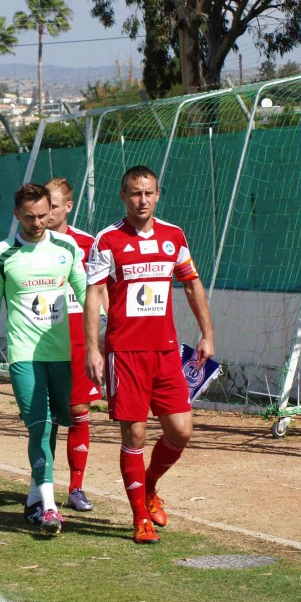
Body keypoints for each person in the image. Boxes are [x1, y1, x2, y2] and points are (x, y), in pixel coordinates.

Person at [84, 165, 215, 545]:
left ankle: (150, 485)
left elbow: (191, 283)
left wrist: (207, 334)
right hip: (125, 353)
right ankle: (140, 517)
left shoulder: (174, 236)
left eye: (148, 193)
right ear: (123, 196)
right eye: (135, 193)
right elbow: (93, 294)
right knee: (135, 434)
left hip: (166, 351)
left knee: (181, 430)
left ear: (157, 195)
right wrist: (93, 348)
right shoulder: (108, 240)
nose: (142, 200)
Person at [0, 184, 87, 535]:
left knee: (56, 424)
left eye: (42, 215)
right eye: (29, 217)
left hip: (62, 355)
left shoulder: (67, 247)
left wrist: (107, 329)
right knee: (39, 424)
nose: (37, 223)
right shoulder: (1, 253)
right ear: (16, 215)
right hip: (23, 355)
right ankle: (50, 508)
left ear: (51, 210)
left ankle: (34, 499)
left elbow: (87, 293)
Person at [44, 178, 99, 513]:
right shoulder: (30, 244)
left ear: (68, 207)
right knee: (47, 417)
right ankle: (43, 487)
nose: (46, 212)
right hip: (43, 340)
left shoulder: (88, 245)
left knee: (79, 412)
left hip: (78, 338)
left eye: (52, 206)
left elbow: (101, 291)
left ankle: (76, 487)